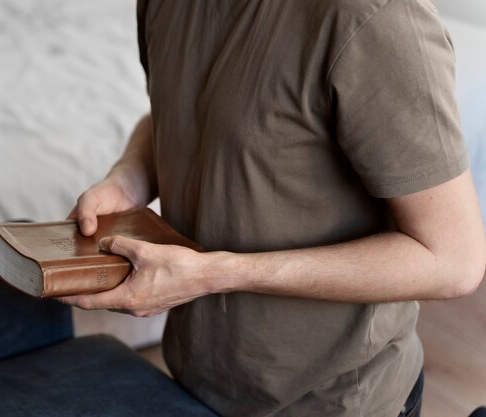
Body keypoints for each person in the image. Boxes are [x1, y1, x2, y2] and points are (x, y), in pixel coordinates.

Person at [61, 1, 486, 416]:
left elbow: (455, 260)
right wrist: (127, 180)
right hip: (196, 382)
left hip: (336, 401)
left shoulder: (376, 19)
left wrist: (217, 274)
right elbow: (181, 111)